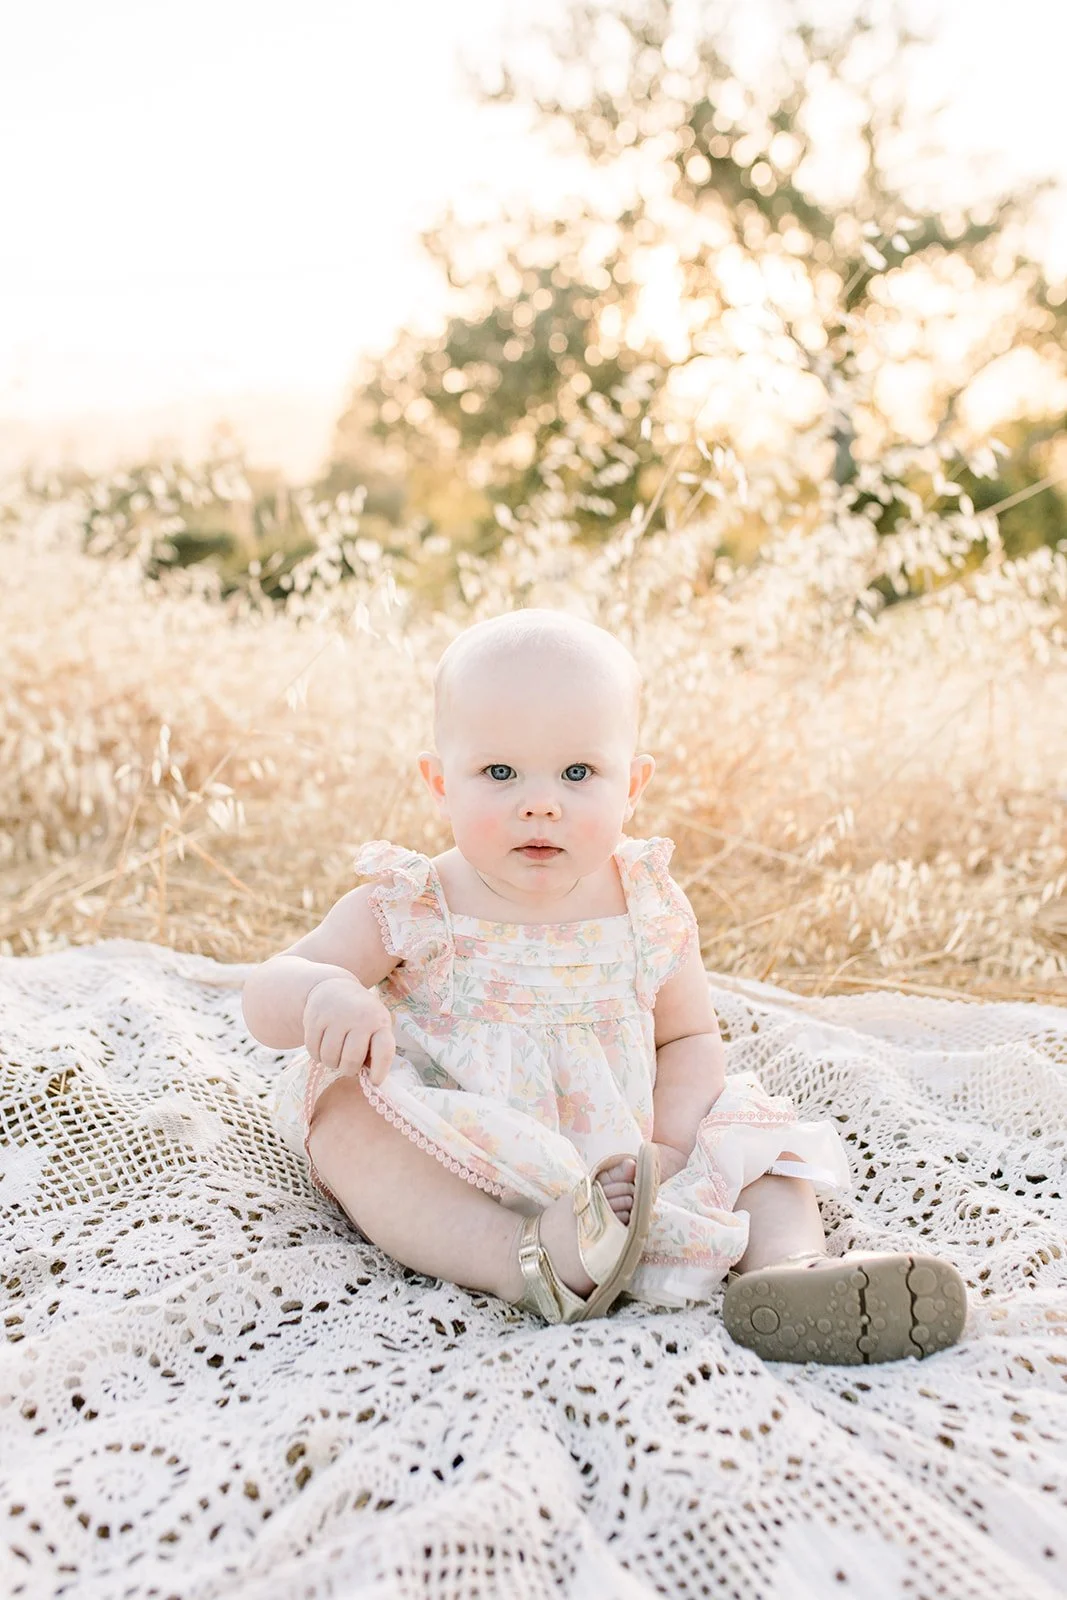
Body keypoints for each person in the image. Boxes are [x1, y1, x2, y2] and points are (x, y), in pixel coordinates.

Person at [243, 609, 967, 1362]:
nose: (540, 803)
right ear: (439, 783)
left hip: (634, 1161)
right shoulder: (414, 904)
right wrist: (322, 995)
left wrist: (673, 1147)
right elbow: (268, 988)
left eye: (578, 774)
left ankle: (791, 1271)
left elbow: (688, 1036)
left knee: (753, 1136)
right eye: (499, 774)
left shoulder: (647, 906)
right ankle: (521, 1260)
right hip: (463, 1147)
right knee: (344, 1112)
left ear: (633, 786)